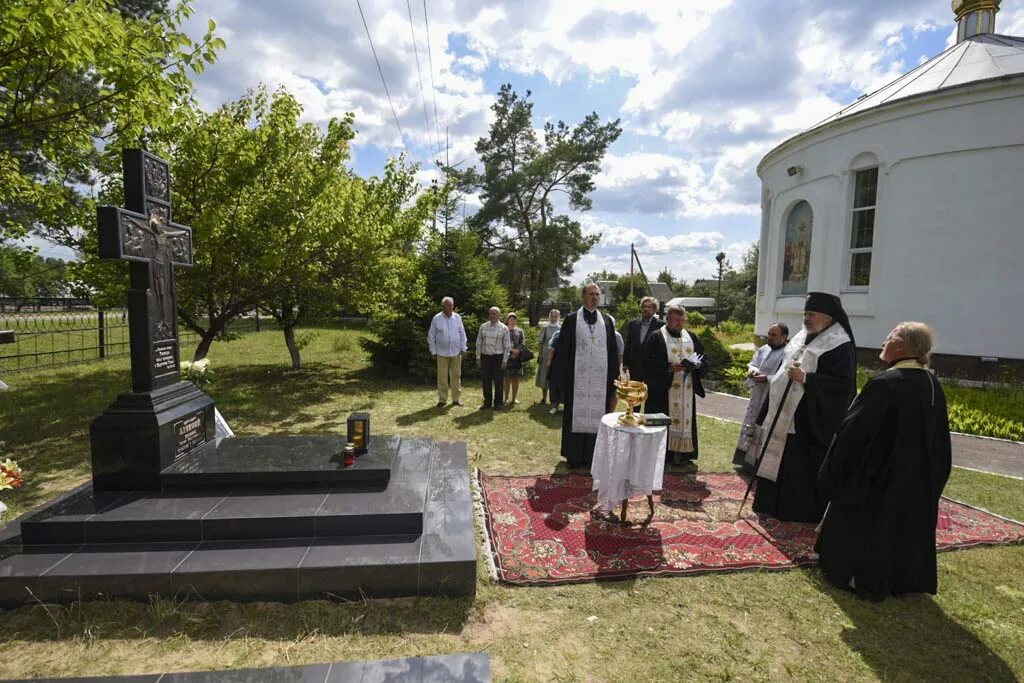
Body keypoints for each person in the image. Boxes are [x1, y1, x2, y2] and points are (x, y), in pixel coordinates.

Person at [816, 322, 952, 600]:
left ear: (901, 346)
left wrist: (836, 469)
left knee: (869, 526)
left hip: (878, 479)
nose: (883, 342)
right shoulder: (932, 385)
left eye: (889, 338)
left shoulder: (886, 383)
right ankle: (900, 578)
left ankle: (855, 574)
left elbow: (854, 435)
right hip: (913, 479)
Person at [752, 292, 857, 523]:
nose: (807, 319)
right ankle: (770, 504)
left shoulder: (840, 344)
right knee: (778, 458)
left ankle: (796, 510)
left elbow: (843, 385)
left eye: (812, 314)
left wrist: (808, 378)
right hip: (783, 411)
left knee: (798, 466)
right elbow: (782, 371)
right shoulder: (802, 336)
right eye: (805, 314)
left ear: (827, 318)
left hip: (809, 418)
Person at [549, 283, 619, 468]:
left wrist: (614, 378)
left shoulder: (607, 321)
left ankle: (594, 457)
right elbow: (562, 351)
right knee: (575, 416)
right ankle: (574, 456)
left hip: (600, 381)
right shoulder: (572, 320)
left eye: (597, 294)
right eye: (591, 294)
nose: (595, 297)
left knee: (599, 416)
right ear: (583, 296)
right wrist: (559, 380)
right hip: (576, 380)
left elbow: (612, 352)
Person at [642, 304, 708, 465]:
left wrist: (698, 365)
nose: (679, 323)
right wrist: (668, 367)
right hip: (663, 390)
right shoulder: (656, 337)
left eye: (682, 320)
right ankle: (660, 456)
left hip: (686, 390)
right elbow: (645, 362)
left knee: (684, 421)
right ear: (667, 320)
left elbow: (703, 358)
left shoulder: (690, 337)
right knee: (662, 421)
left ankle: (683, 455)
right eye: (676, 320)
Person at [732, 323, 789, 471]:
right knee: (750, 423)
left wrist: (768, 378)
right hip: (757, 394)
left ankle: (758, 464)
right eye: (768, 334)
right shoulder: (763, 349)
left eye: (773, 335)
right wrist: (753, 371)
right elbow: (753, 363)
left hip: (770, 398)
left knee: (763, 428)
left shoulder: (787, 354)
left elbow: (784, 377)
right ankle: (745, 461)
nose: (769, 338)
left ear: (784, 337)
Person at [427, 296, 468, 407]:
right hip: (441, 353)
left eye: (451, 305)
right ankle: (442, 399)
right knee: (442, 377)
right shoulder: (437, 318)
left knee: (456, 376)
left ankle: (456, 399)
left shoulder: (457, 318)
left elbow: (462, 333)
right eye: (447, 306)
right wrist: (433, 351)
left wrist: (464, 348)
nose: (450, 308)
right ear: (443, 307)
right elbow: (431, 336)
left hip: (456, 352)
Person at [475, 307, 510, 409]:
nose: (493, 316)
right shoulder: (483, 327)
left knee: (499, 382)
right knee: (486, 381)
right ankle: (487, 402)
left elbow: (507, 346)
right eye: (491, 314)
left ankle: (498, 403)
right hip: (485, 357)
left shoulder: (504, 328)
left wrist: (505, 360)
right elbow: (479, 343)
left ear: (499, 315)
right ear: (489, 315)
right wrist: (478, 357)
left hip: (498, 358)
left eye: (495, 314)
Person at [622, 296, 663, 382]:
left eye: (649, 307)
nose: (646, 309)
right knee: (635, 393)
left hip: (652, 368)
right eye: (644, 306)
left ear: (655, 309)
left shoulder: (661, 326)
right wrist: (625, 364)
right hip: (635, 367)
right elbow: (628, 344)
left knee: (650, 393)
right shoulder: (633, 324)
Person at [535, 309, 561, 405]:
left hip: (556, 356)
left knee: (554, 377)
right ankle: (543, 398)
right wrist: (540, 354)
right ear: (549, 317)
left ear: (558, 317)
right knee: (544, 376)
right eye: (552, 316)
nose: (553, 318)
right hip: (545, 355)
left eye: (555, 316)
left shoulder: (561, 328)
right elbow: (541, 343)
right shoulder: (545, 328)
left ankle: (554, 399)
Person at [503, 313, 526, 407]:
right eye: (510, 318)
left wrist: (517, 351)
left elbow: (523, 343)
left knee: (515, 378)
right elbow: (502, 343)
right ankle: (506, 398)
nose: (512, 320)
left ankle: (514, 398)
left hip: (517, 358)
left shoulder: (520, 331)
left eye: (514, 319)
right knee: (506, 378)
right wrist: (512, 351)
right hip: (506, 357)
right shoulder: (503, 330)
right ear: (507, 320)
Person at [546, 329, 563, 415]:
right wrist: (549, 361)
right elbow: (551, 348)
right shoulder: (558, 334)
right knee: (554, 385)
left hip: (570, 365)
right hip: (557, 364)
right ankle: (555, 406)